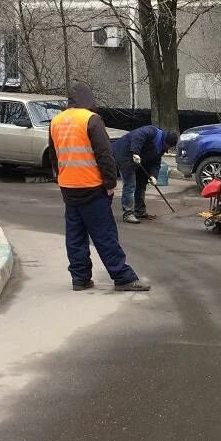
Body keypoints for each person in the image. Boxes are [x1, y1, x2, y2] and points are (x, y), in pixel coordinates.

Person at [49, 82, 149, 291]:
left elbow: (53, 155)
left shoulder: (56, 121)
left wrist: (61, 178)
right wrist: (110, 183)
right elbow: (105, 154)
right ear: (88, 99)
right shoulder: (91, 119)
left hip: (68, 187)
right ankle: (123, 277)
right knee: (104, 234)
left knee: (75, 235)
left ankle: (80, 278)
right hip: (91, 186)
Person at [113, 125, 179, 224]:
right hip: (124, 154)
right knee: (130, 185)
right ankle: (128, 214)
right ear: (165, 142)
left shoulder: (161, 148)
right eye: (167, 147)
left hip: (139, 161)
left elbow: (155, 163)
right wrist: (135, 152)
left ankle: (139, 211)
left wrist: (153, 176)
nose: (167, 149)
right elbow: (138, 135)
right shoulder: (151, 131)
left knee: (141, 183)